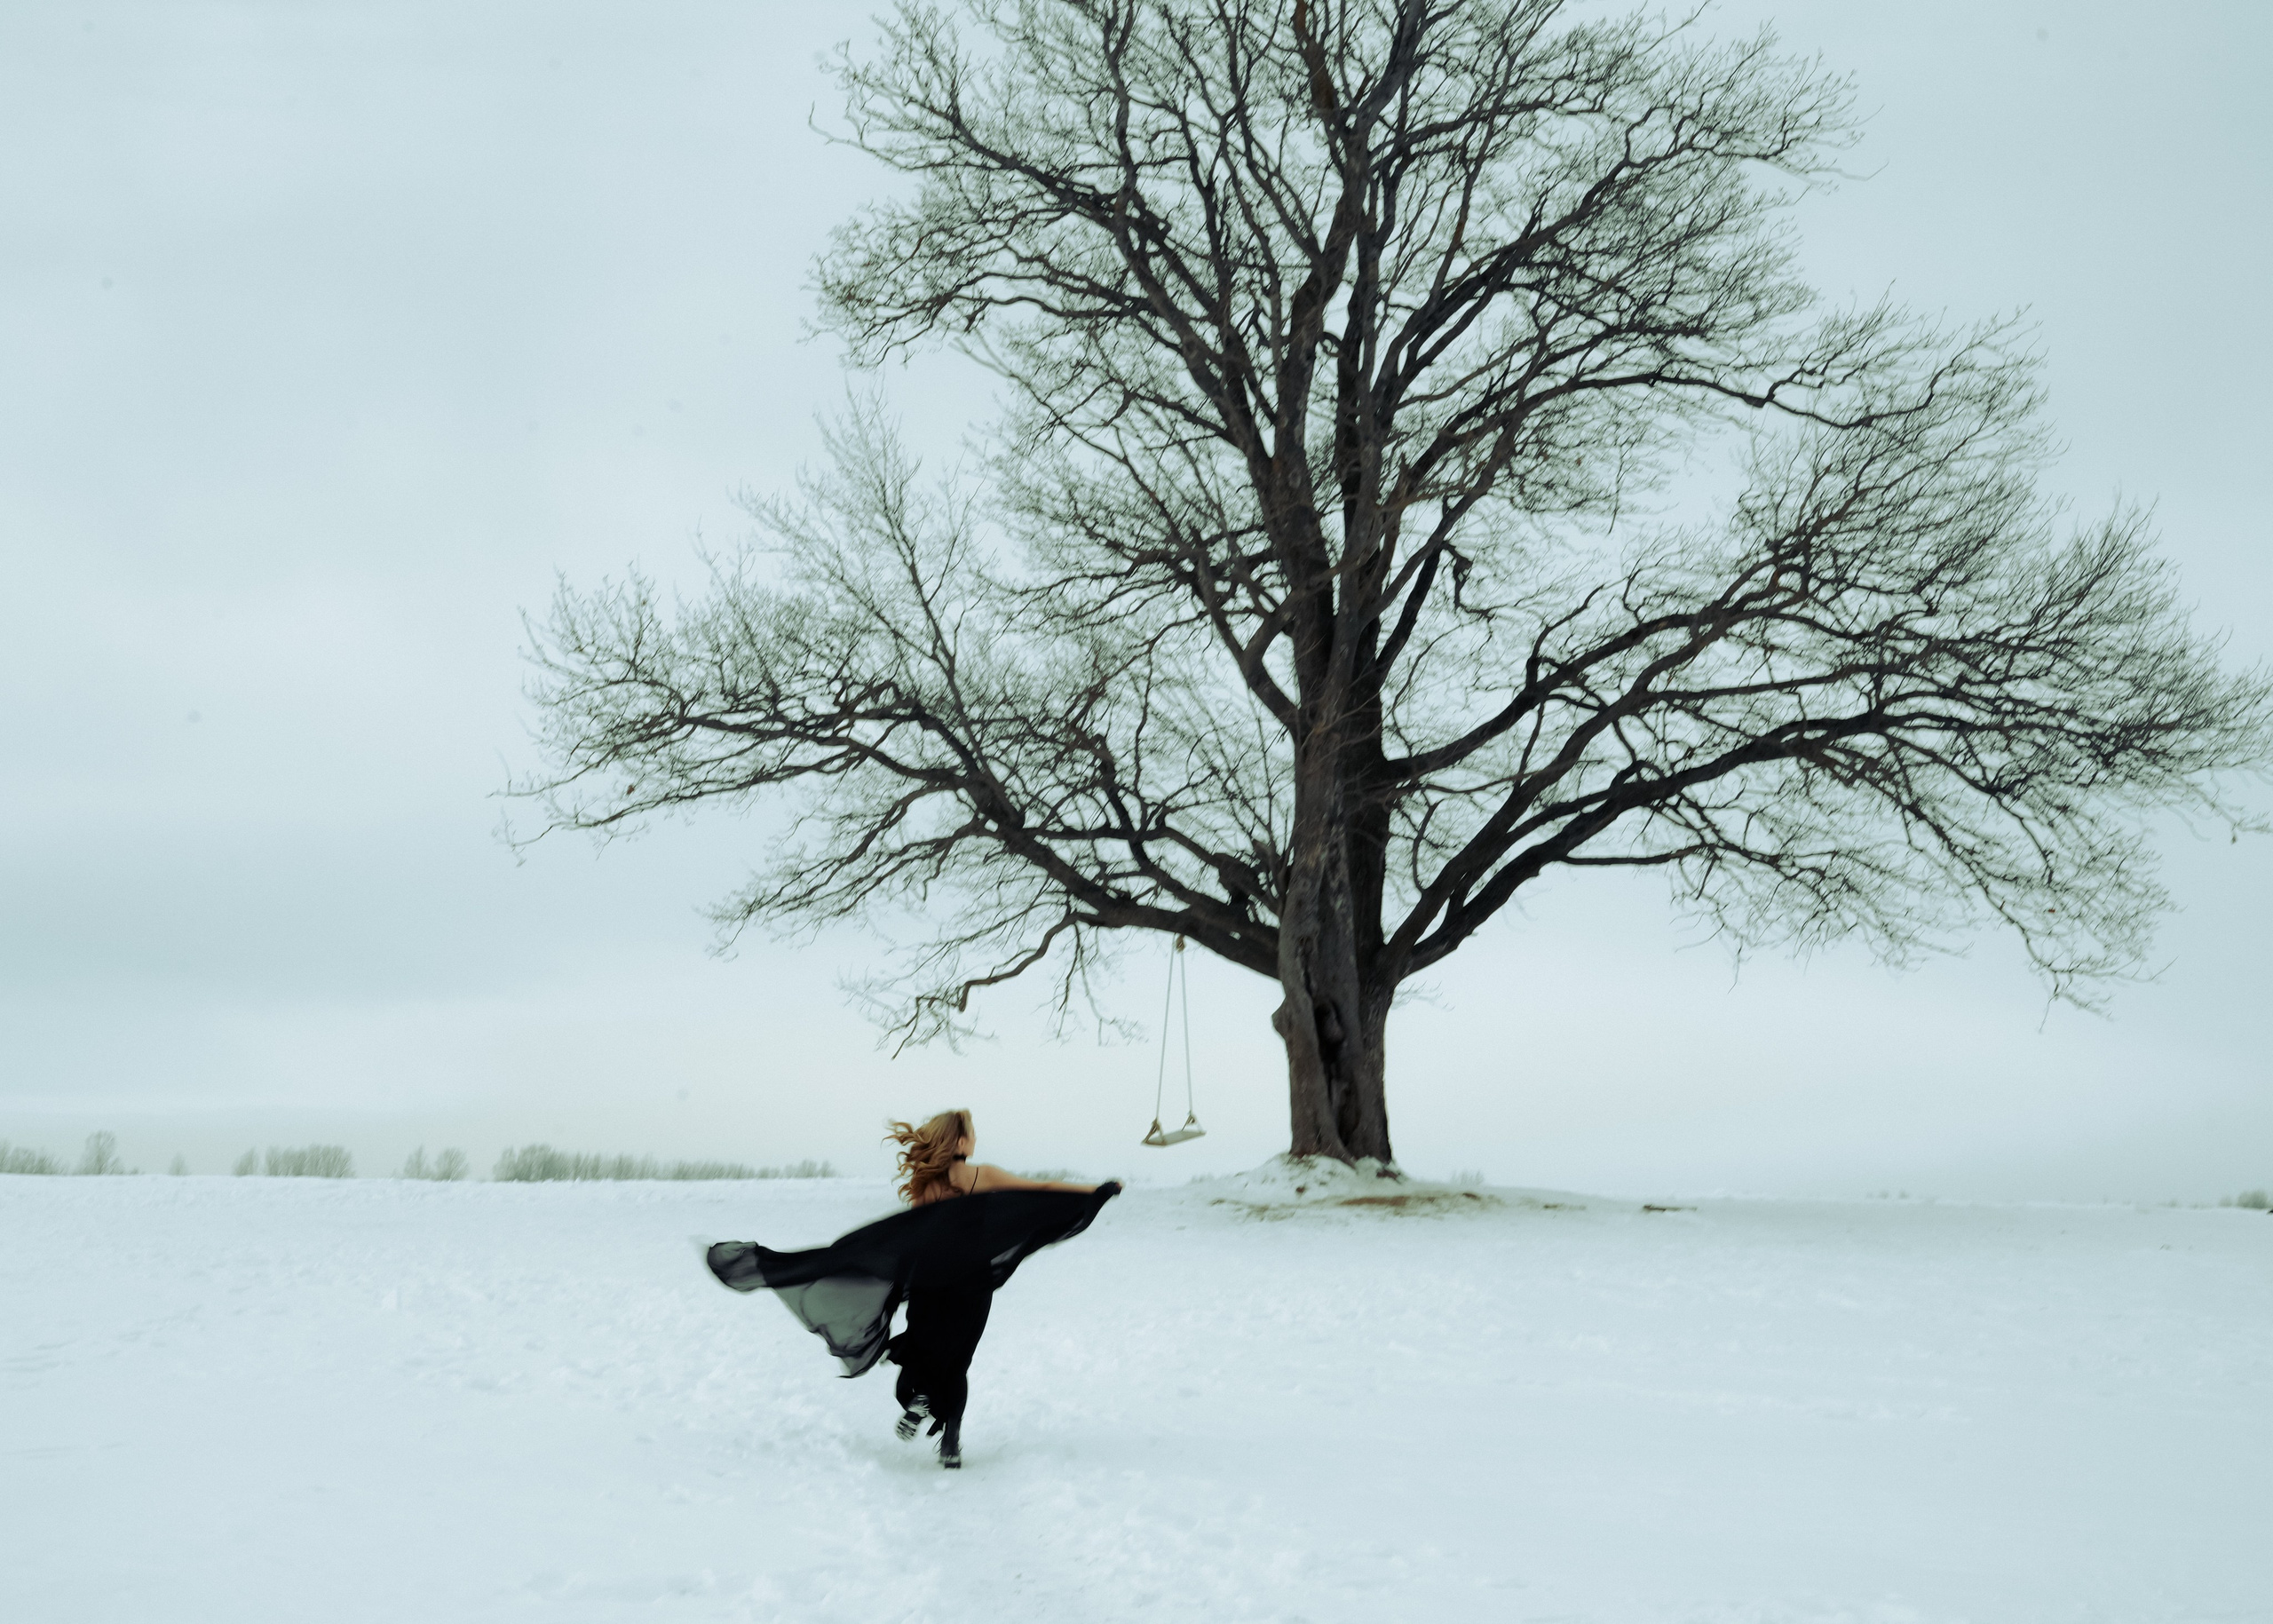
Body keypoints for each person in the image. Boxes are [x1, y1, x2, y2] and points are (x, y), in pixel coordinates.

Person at [702, 1109, 1118, 1470]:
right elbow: (1041, 1191)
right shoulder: (984, 1175)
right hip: (972, 1284)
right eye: (971, 1132)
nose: (975, 1140)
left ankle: (918, 1397)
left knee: (922, 1347)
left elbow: (921, 1236)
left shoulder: (925, 1183)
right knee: (957, 1361)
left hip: (933, 1280)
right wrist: (1094, 1192)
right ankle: (951, 1442)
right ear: (959, 1139)